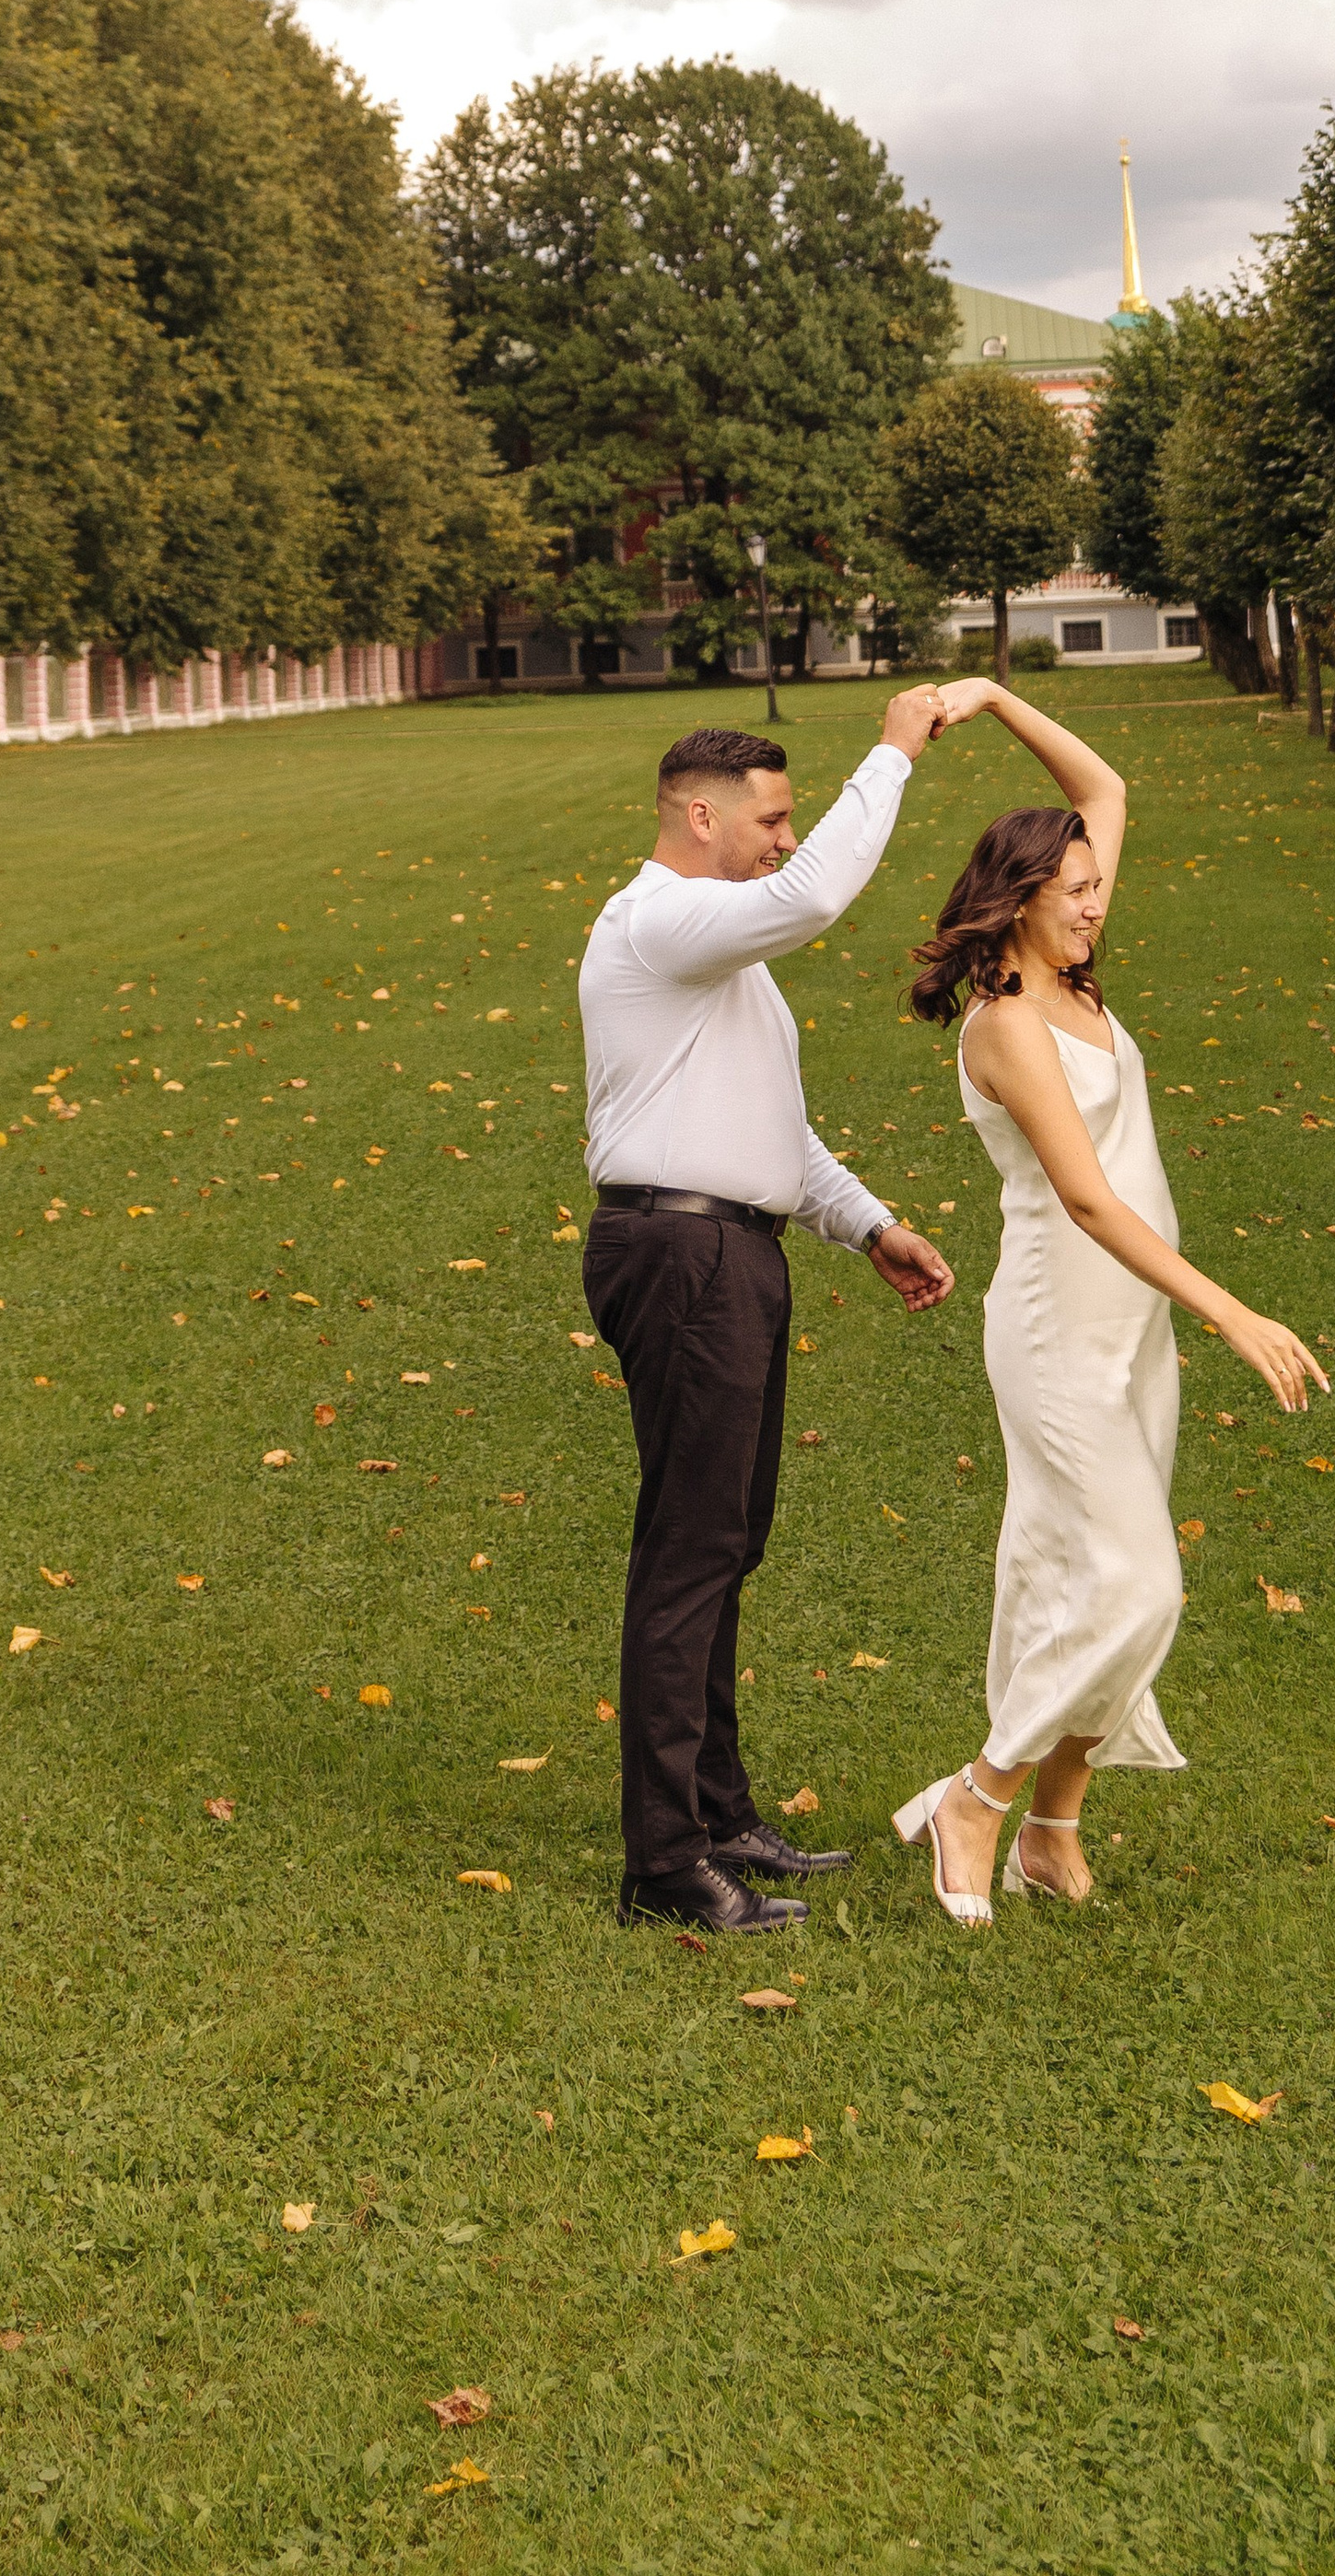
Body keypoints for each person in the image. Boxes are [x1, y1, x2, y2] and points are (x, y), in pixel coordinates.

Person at [891, 678, 1329, 1926]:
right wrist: (1231, 1311)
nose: (1097, 902)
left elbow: (1107, 791)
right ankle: (977, 1798)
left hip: (1129, 1326)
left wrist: (997, 696)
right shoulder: (1010, 1021)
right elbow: (1086, 1201)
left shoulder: (1072, 961)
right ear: (1017, 897)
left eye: (1095, 885)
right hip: (1055, 1326)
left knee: (1072, 1577)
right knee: (1139, 1582)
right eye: (1073, 890)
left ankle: (1052, 1826)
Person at [581, 704, 957, 1937]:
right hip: (682, 1251)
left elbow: (771, 1132)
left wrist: (866, 1223)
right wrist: (894, 750)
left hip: (730, 1249)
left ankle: (717, 1808)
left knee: (726, 1541)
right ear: (701, 815)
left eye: (792, 818)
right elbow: (811, 898)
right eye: (770, 817)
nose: (782, 840)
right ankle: (666, 1862)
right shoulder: (660, 918)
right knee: (691, 1550)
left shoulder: (717, 963)